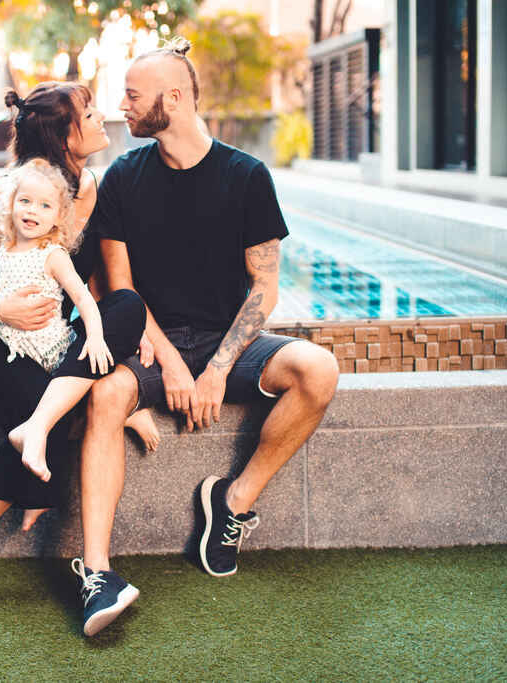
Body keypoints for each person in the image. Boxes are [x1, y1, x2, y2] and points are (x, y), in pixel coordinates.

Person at [70, 39, 340, 636]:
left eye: (133, 96)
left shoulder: (246, 176)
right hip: (150, 341)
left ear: (173, 98)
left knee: (318, 370)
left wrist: (217, 367)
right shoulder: (122, 178)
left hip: (229, 344)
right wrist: (168, 361)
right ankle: (97, 574)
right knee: (105, 396)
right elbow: (122, 293)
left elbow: (264, 290)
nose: (123, 106)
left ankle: (234, 503)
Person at [0, 82, 153, 616]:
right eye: (89, 112)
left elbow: (94, 292)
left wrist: (128, 381)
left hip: (52, 342)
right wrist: (0, 310)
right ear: (63, 132)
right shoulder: (7, 193)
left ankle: (44, 434)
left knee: (127, 307)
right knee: (45, 407)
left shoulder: (92, 189)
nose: (102, 117)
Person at [0, 159, 118, 483]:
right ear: (11, 203)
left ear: (59, 217)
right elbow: (5, 294)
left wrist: (96, 337)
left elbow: (83, 297)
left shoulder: (52, 254)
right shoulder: (5, 248)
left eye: (45, 205)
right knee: (37, 403)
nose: (33, 211)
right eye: (25, 201)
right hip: (22, 353)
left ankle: (130, 415)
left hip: (54, 350)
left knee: (74, 400)